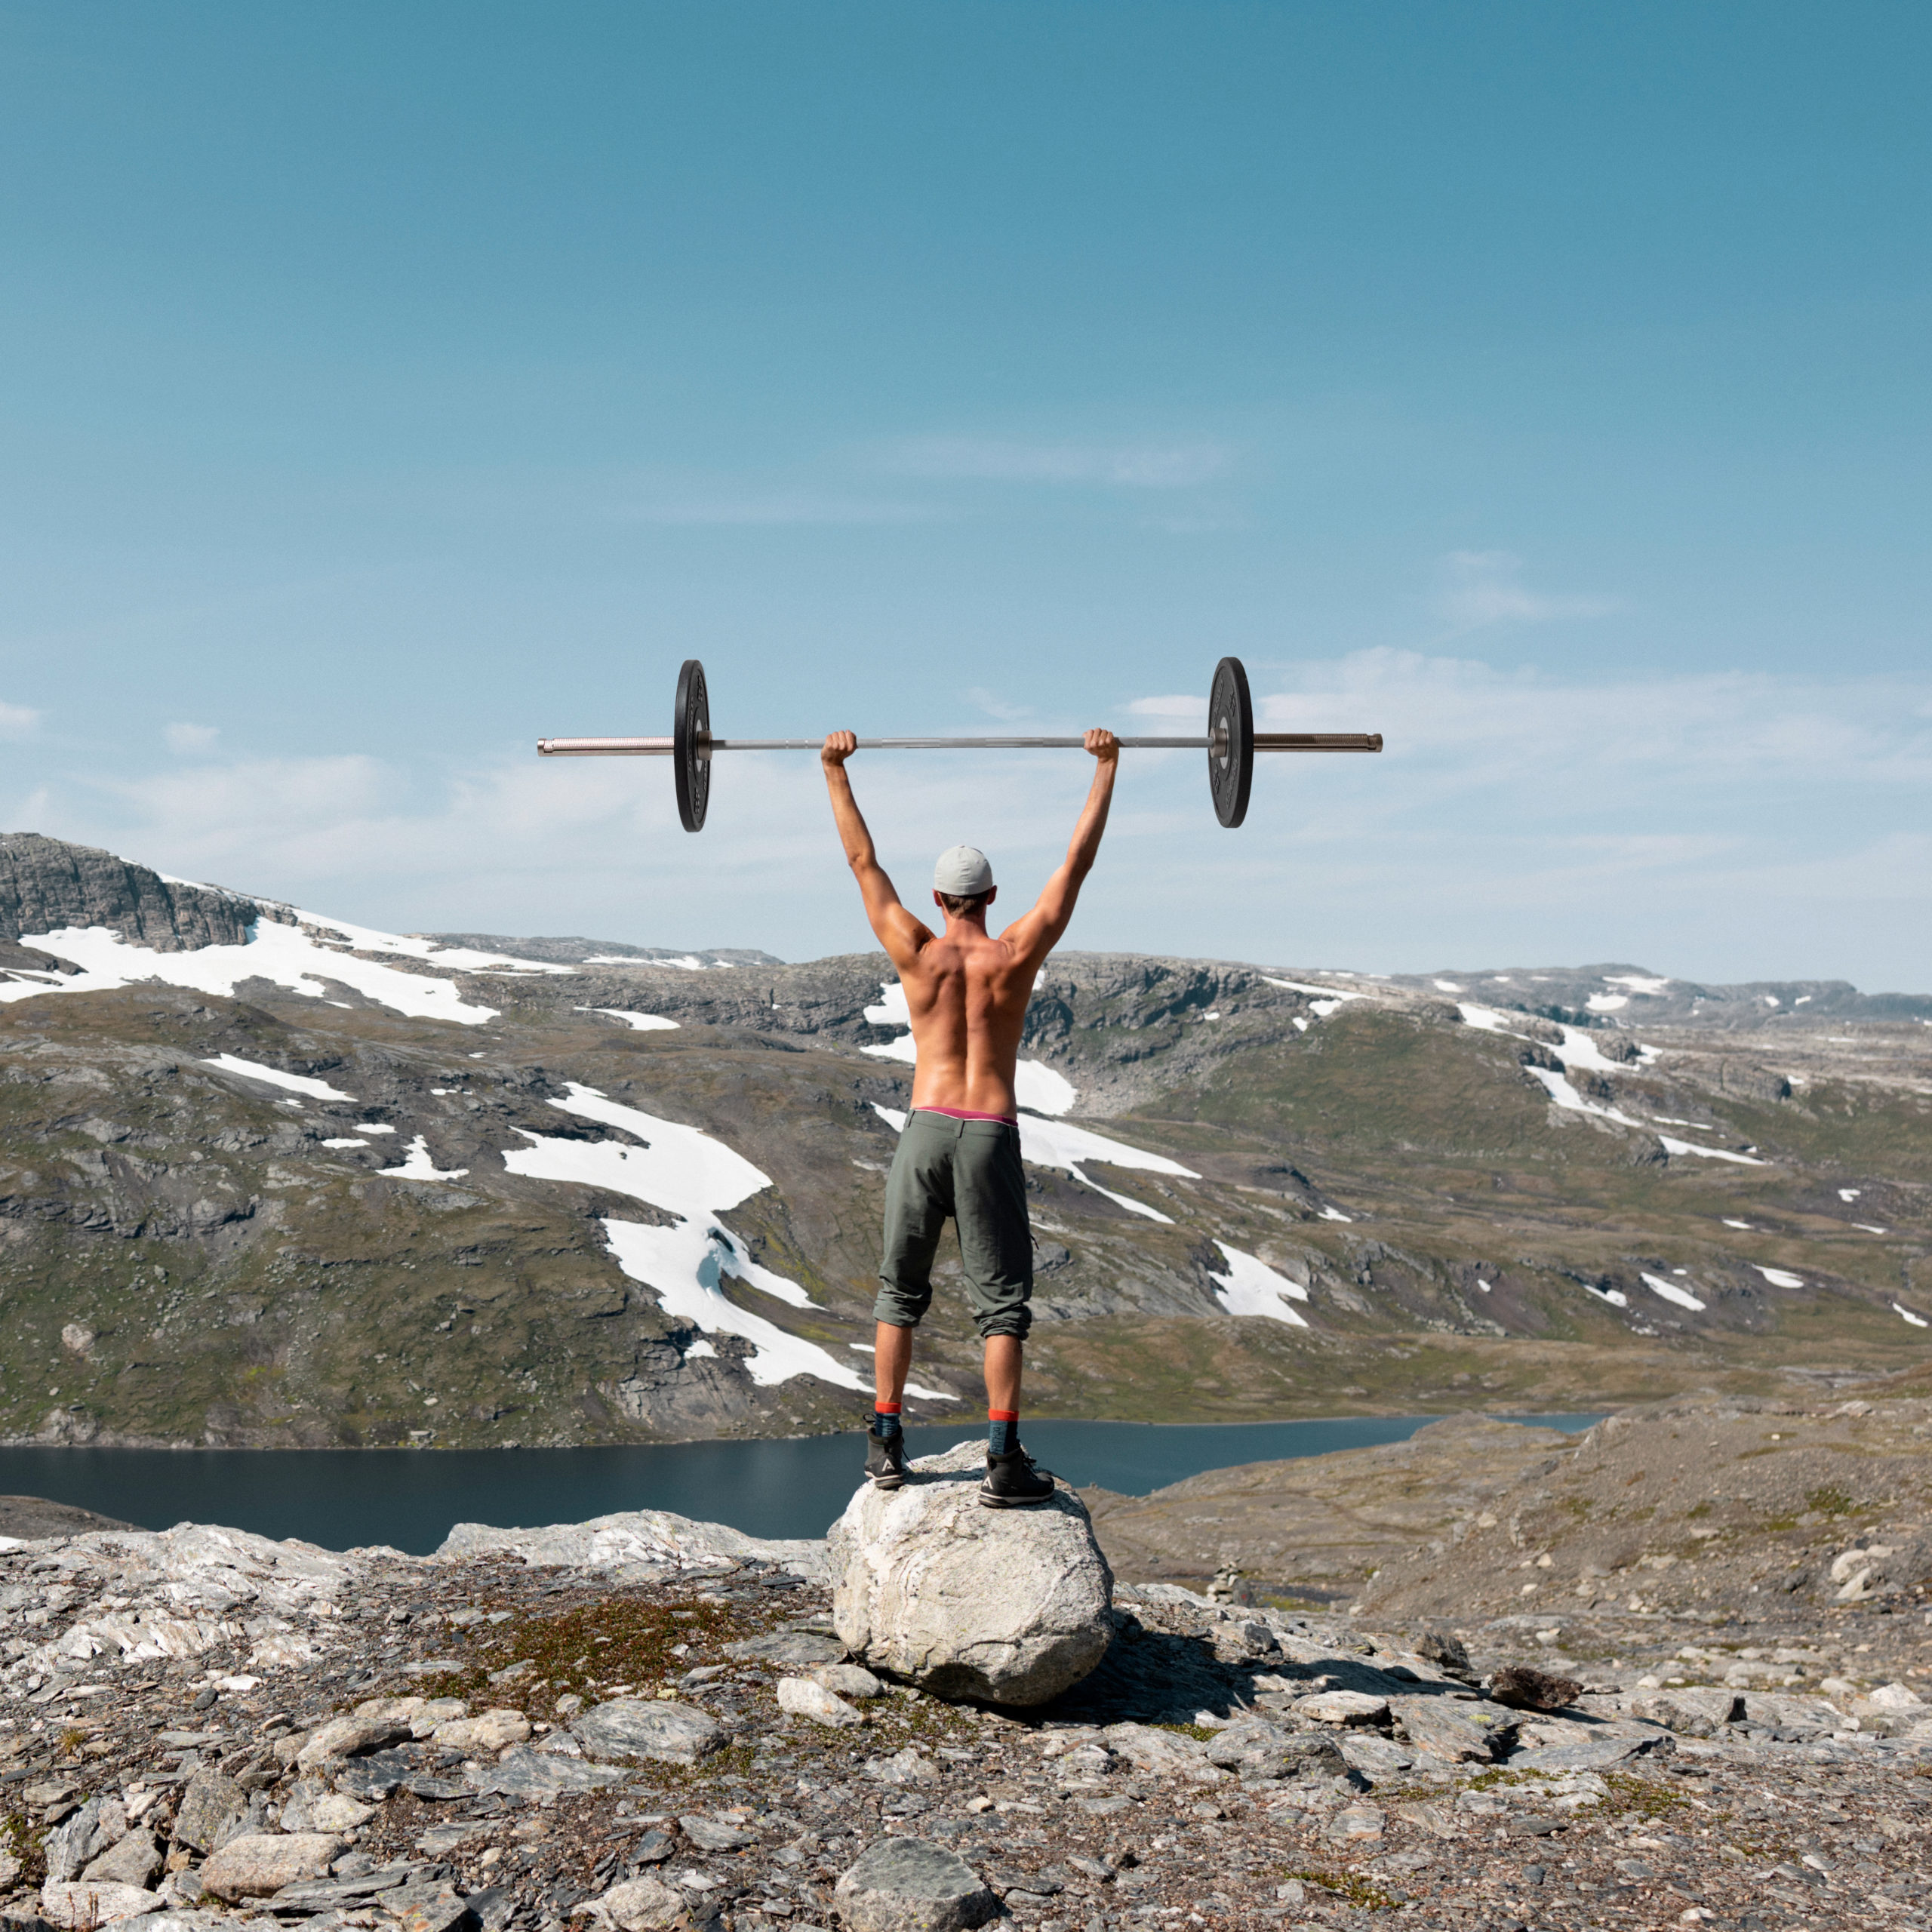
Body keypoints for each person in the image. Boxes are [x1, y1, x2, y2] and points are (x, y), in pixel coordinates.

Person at [821, 725, 1119, 1506]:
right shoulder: (1014, 952)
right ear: (989, 898)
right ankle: (1001, 1459)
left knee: (898, 1294)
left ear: (937, 900)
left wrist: (833, 770)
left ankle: (884, 1445)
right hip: (988, 1131)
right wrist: (1105, 767)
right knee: (1003, 1307)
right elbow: (1075, 866)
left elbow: (862, 861)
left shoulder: (914, 949)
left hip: (924, 1126)